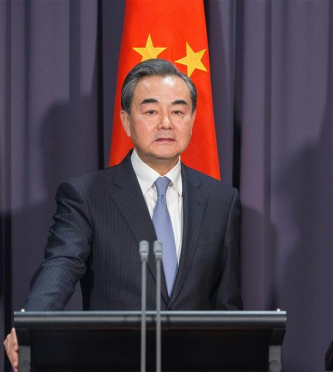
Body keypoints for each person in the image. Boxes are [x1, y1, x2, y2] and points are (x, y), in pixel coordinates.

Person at [4, 59, 242, 370]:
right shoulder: (87, 195)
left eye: (179, 111)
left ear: (193, 119)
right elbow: (61, 265)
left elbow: (227, 309)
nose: (167, 123)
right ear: (126, 121)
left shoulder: (221, 199)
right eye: (151, 111)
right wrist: (30, 324)